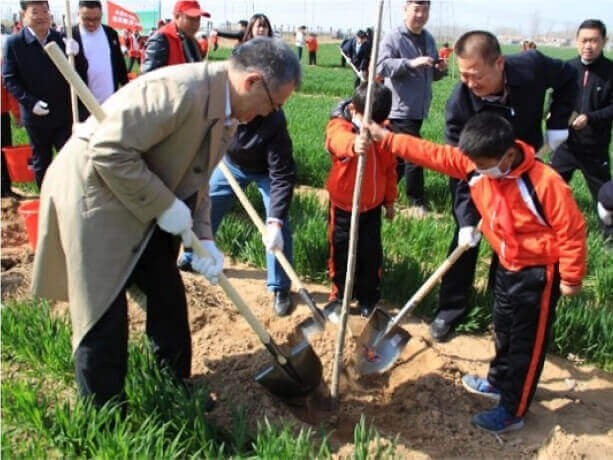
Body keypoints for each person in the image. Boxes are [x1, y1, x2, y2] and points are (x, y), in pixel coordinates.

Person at [31, 37, 301, 409]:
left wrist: (204, 239)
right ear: (252, 82)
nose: (270, 114)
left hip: (145, 189)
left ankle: (173, 382)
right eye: (272, 104)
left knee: (166, 290)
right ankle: (104, 415)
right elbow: (108, 151)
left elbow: (200, 179)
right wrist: (164, 205)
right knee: (103, 310)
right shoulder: (180, 92)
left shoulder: (229, 114)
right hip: (96, 195)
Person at [365, 112, 586, 434]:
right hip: (507, 265)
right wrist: (387, 139)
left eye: (483, 165)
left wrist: (571, 277)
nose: (477, 171)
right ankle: (497, 383)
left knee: (526, 344)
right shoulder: (477, 164)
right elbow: (433, 154)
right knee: (503, 330)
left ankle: (513, 410)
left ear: (508, 155)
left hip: (538, 273)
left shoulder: (544, 182)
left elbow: (571, 229)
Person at [430, 30, 578, 342]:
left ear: (499, 63)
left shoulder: (532, 66)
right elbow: (461, 168)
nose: (470, 83)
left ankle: (504, 315)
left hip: (525, 169)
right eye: (464, 75)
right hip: (483, 177)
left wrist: (557, 123)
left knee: (512, 242)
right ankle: (450, 309)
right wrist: (467, 219)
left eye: (476, 75)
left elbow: (569, 77)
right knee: (465, 244)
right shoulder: (461, 104)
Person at [179, 13, 297, 316]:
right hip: (231, 165)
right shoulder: (224, 99)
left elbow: (282, 173)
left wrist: (275, 223)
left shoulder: (274, 119)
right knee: (208, 203)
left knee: (280, 228)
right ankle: (194, 254)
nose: (271, 108)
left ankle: (280, 287)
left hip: (264, 172)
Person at [324, 82, 397, 317]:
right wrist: (354, 145)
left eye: (379, 122)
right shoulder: (340, 125)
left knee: (370, 253)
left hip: (372, 208)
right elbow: (335, 140)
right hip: (344, 208)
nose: (374, 127)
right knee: (342, 251)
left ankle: (368, 297)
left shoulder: (383, 131)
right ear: (354, 110)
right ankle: (339, 296)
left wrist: (389, 201)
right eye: (370, 121)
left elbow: (389, 170)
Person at [377, 0, 447, 213]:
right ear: (405, 9)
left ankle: (377, 190)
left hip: (418, 109)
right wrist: (410, 62)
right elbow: (381, 65)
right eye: (416, 9)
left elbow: (431, 73)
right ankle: (416, 203)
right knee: (415, 155)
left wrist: (439, 69)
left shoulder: (428, 38)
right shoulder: (394, 37)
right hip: (399, 108)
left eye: (425, 10)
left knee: (399, 159)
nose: (420, 14)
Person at [2, 0, 79, 188]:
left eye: (45, 11)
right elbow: (10, 79)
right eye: (35, 12)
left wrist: (76, 55)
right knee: (41, 160)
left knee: (68, 159)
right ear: (24, 16)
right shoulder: (15, 43)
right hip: (36, 117)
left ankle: (68, 199)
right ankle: (46, 203)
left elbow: (79, 74)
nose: (41, 16)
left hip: (63, 114)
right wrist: (30, 103)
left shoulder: (61, 39)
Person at [550, 19, 612, 228]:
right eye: (584, 40)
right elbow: (555, 99)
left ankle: (609, 242)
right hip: (566, 145)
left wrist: (590, 118)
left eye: (594, 41)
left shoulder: (610, 71)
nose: (588, 45)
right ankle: (547, 230)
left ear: (604, 41)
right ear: (577, 41)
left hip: (595, 148)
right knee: (549, 191)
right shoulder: (567, 68)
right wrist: (551, 113)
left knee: (605, 199)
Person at [73, 0, 128, 120]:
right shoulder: (70, 35)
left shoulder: (110, 33)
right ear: (78, 15)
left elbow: (119, 63)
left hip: (110, 100)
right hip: (83, 104)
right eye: (86, 19)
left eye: (96, 19)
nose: (92, 23)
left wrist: (126, 86)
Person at [141, 0, 208, 74]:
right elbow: (148, 78)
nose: (195, 24)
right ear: (177, 16)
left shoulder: (193, 41)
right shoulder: (162, 39)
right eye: (191, 19)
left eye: (198, 19)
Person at [1, 53, 21, 198]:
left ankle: (4, 188)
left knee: (3, 151)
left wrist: (17, 113)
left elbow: (7, 85)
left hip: (1, 113)